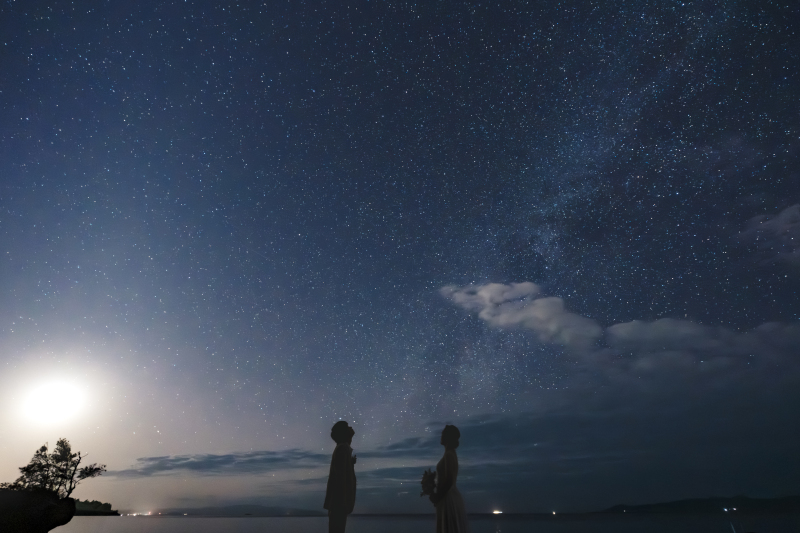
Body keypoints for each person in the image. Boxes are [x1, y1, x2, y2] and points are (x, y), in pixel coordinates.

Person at [429, 425, 469, 533]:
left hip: (448, 497)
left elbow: (449, 480)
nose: (441, 436)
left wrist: (437, 497)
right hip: (447, 496)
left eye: (443, 434)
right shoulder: (449, 454)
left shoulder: (449, 454)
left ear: (448, 437)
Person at [324, 421, 357, 533]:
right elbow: (340, 477)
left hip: (339, 502)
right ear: (344, 433)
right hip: (339, 503)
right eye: (347, 427)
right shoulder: (342, 449)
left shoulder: (343, 448)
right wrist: (343, 503)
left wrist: (350, 462)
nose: (351, 427)